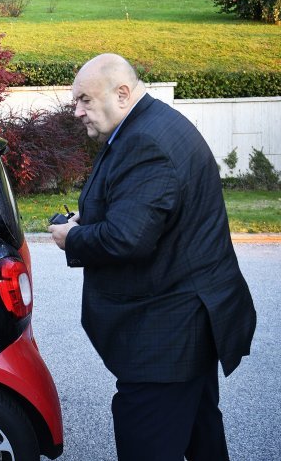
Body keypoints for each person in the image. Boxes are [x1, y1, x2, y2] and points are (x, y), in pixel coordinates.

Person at [48, 53, 256, 461]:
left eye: (85, 100)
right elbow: (146, 211)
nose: (77, 112)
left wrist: (72, 238)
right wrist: (89, 216)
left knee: (148, 444)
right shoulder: (149, 124)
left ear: (122, 93)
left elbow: (127, 239)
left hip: (167, 338)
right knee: (202, 439)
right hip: (187, 327)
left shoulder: (146, 141)